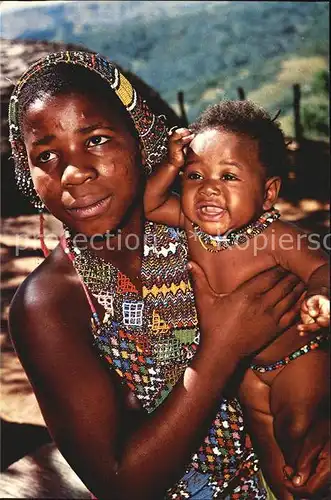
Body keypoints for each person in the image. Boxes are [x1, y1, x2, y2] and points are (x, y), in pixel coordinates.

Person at [7, 51, 329, 500]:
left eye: (97, 140)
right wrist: (221, 350)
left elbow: (309, 323)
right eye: (46, 155)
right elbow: (121, 484)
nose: (74, 173)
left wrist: (318, 424)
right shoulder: (49, 305)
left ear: (139, 138)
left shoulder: (210, 224)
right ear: (29, 172)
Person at [144, 100, 330, 497]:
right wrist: (169, 165)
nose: (208, 187)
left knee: (297, 428)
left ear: (268, 193)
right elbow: (151, 204)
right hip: (247, 372)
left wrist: (319, 295)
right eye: (195, 175)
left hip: (298, 361)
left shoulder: (277, 236)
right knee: (271, 454)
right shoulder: (192, 224)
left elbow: (321, 267)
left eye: (228, 176)